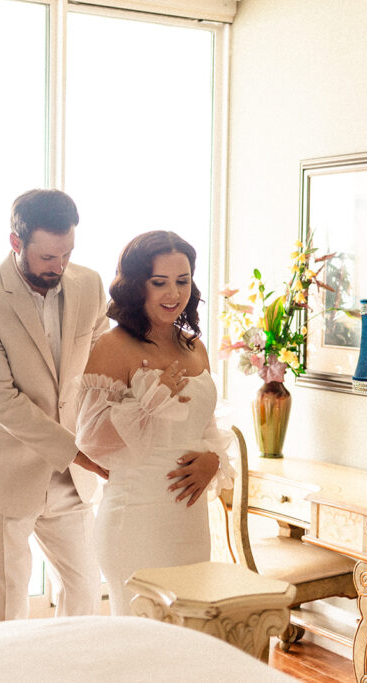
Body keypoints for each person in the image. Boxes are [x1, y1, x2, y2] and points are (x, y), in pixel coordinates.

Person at [0, 188, 109, 624]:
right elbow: (1, 399)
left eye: (66, 254)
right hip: (1, 473)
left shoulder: (90, 285)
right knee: (5, 614)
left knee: (84, 590)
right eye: (46, 258)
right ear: (16, 242)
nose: (58, 268)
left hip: (71, 480)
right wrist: (77, 450)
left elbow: (99, 372)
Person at [74, 230, 234, 616]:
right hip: (136, 519)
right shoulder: (113, 347)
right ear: (136, 285)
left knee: (185, 635)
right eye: (159, 282)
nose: (173, 294)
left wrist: (213, 459)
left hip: (189, 520)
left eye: (182, 281)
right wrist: (151, 398)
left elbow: (205, 427)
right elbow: (91, 438)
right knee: (139, 638)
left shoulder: (194, 346)